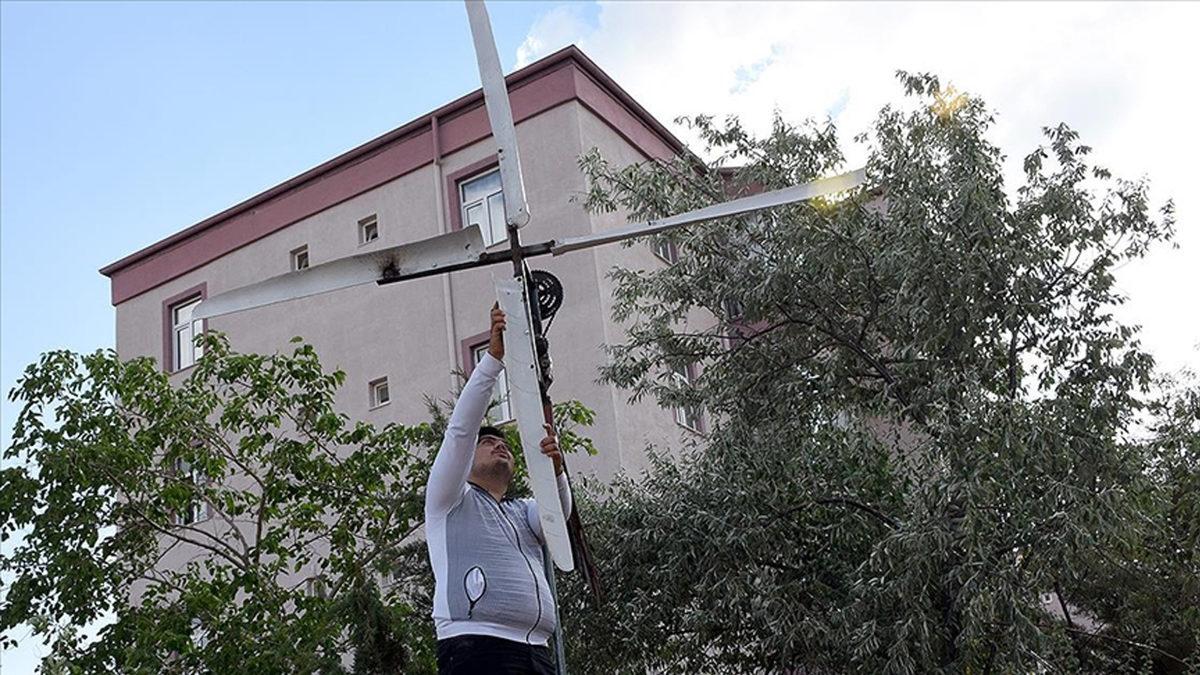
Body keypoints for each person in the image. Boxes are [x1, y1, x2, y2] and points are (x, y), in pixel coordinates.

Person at [425, 303, 572, 675]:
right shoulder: (450, 500)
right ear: (465, 459)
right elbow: (460, 430)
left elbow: (558, 516)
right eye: (487, 442)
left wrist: (556, 472)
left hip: (537, 650)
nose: (499, 445)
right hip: (477, 646)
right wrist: (492, 360)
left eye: (504, 444)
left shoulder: (521, 511)